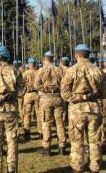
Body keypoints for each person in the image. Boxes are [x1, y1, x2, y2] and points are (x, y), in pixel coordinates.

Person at [61, 44, 103, 173]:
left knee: (76, 141)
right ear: (88, 54)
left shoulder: (71, 70)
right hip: (94, 110)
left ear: (76, 55)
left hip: (77, 111)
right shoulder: (98, 71)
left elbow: (65, 94)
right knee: (95, 141)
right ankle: (95, 168)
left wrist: (81, 97)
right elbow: (104, 92)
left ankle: (78, 168)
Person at [34, 51, 66, 156]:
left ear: (44, 59)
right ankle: (62, 146)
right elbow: (65, 84)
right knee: (60, 123)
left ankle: (47, 148)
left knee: (46, 123)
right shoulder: (60, 70)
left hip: (45, 99)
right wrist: (55, 89)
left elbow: (36, 85)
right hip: (58, 98)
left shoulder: (41, 70)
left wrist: (46, 89)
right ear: (53, 59)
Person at [22, 57, 41, 141]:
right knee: (39, 114)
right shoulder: (39, 72)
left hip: (28, 94)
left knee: (27, 114)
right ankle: (41, 132)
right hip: (37, 94)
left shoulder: (25, 73)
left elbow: (21, 84)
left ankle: (27, 133)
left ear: (29, 64)